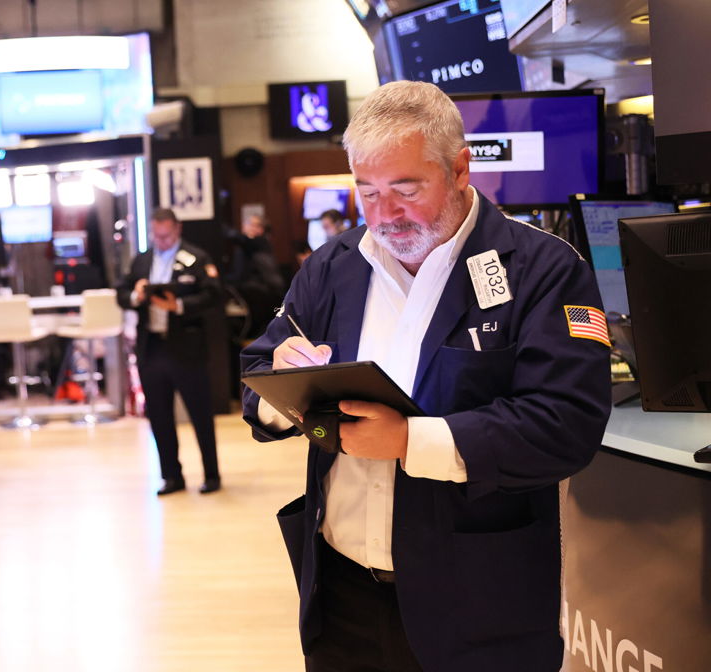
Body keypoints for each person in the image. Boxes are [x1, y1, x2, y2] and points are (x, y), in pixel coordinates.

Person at [241, 81, 612, 672]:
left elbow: (567, 423)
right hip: (340, 591)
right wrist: (283, 389)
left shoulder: (545, 270)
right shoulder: (336, 265)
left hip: (479, 599)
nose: (385, 215)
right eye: (367, 192)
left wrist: (411, 440)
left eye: (405, 189)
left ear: (461, 169)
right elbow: (259, 366)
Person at [118, 208, 223, 495]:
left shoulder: (196, 258)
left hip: (186, 347)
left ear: (177, 229)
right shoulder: (142, 260)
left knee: (200, 414)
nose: (161, 240)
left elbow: (213, 294)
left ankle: (211, 474)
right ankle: (171, 476)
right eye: (156, 235)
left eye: (166, 235)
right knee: (160, 416)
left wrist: (178, 306)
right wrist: (137, 296)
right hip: (152, 347)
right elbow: (121, 293)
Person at [226, 214, 285, 337]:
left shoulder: (260, 242)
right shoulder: (245, 246)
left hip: (263, 293)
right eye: (249, 224)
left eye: (255, 225)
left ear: (261, 229)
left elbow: (237, 237)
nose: (251, 228)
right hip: (251, 292)